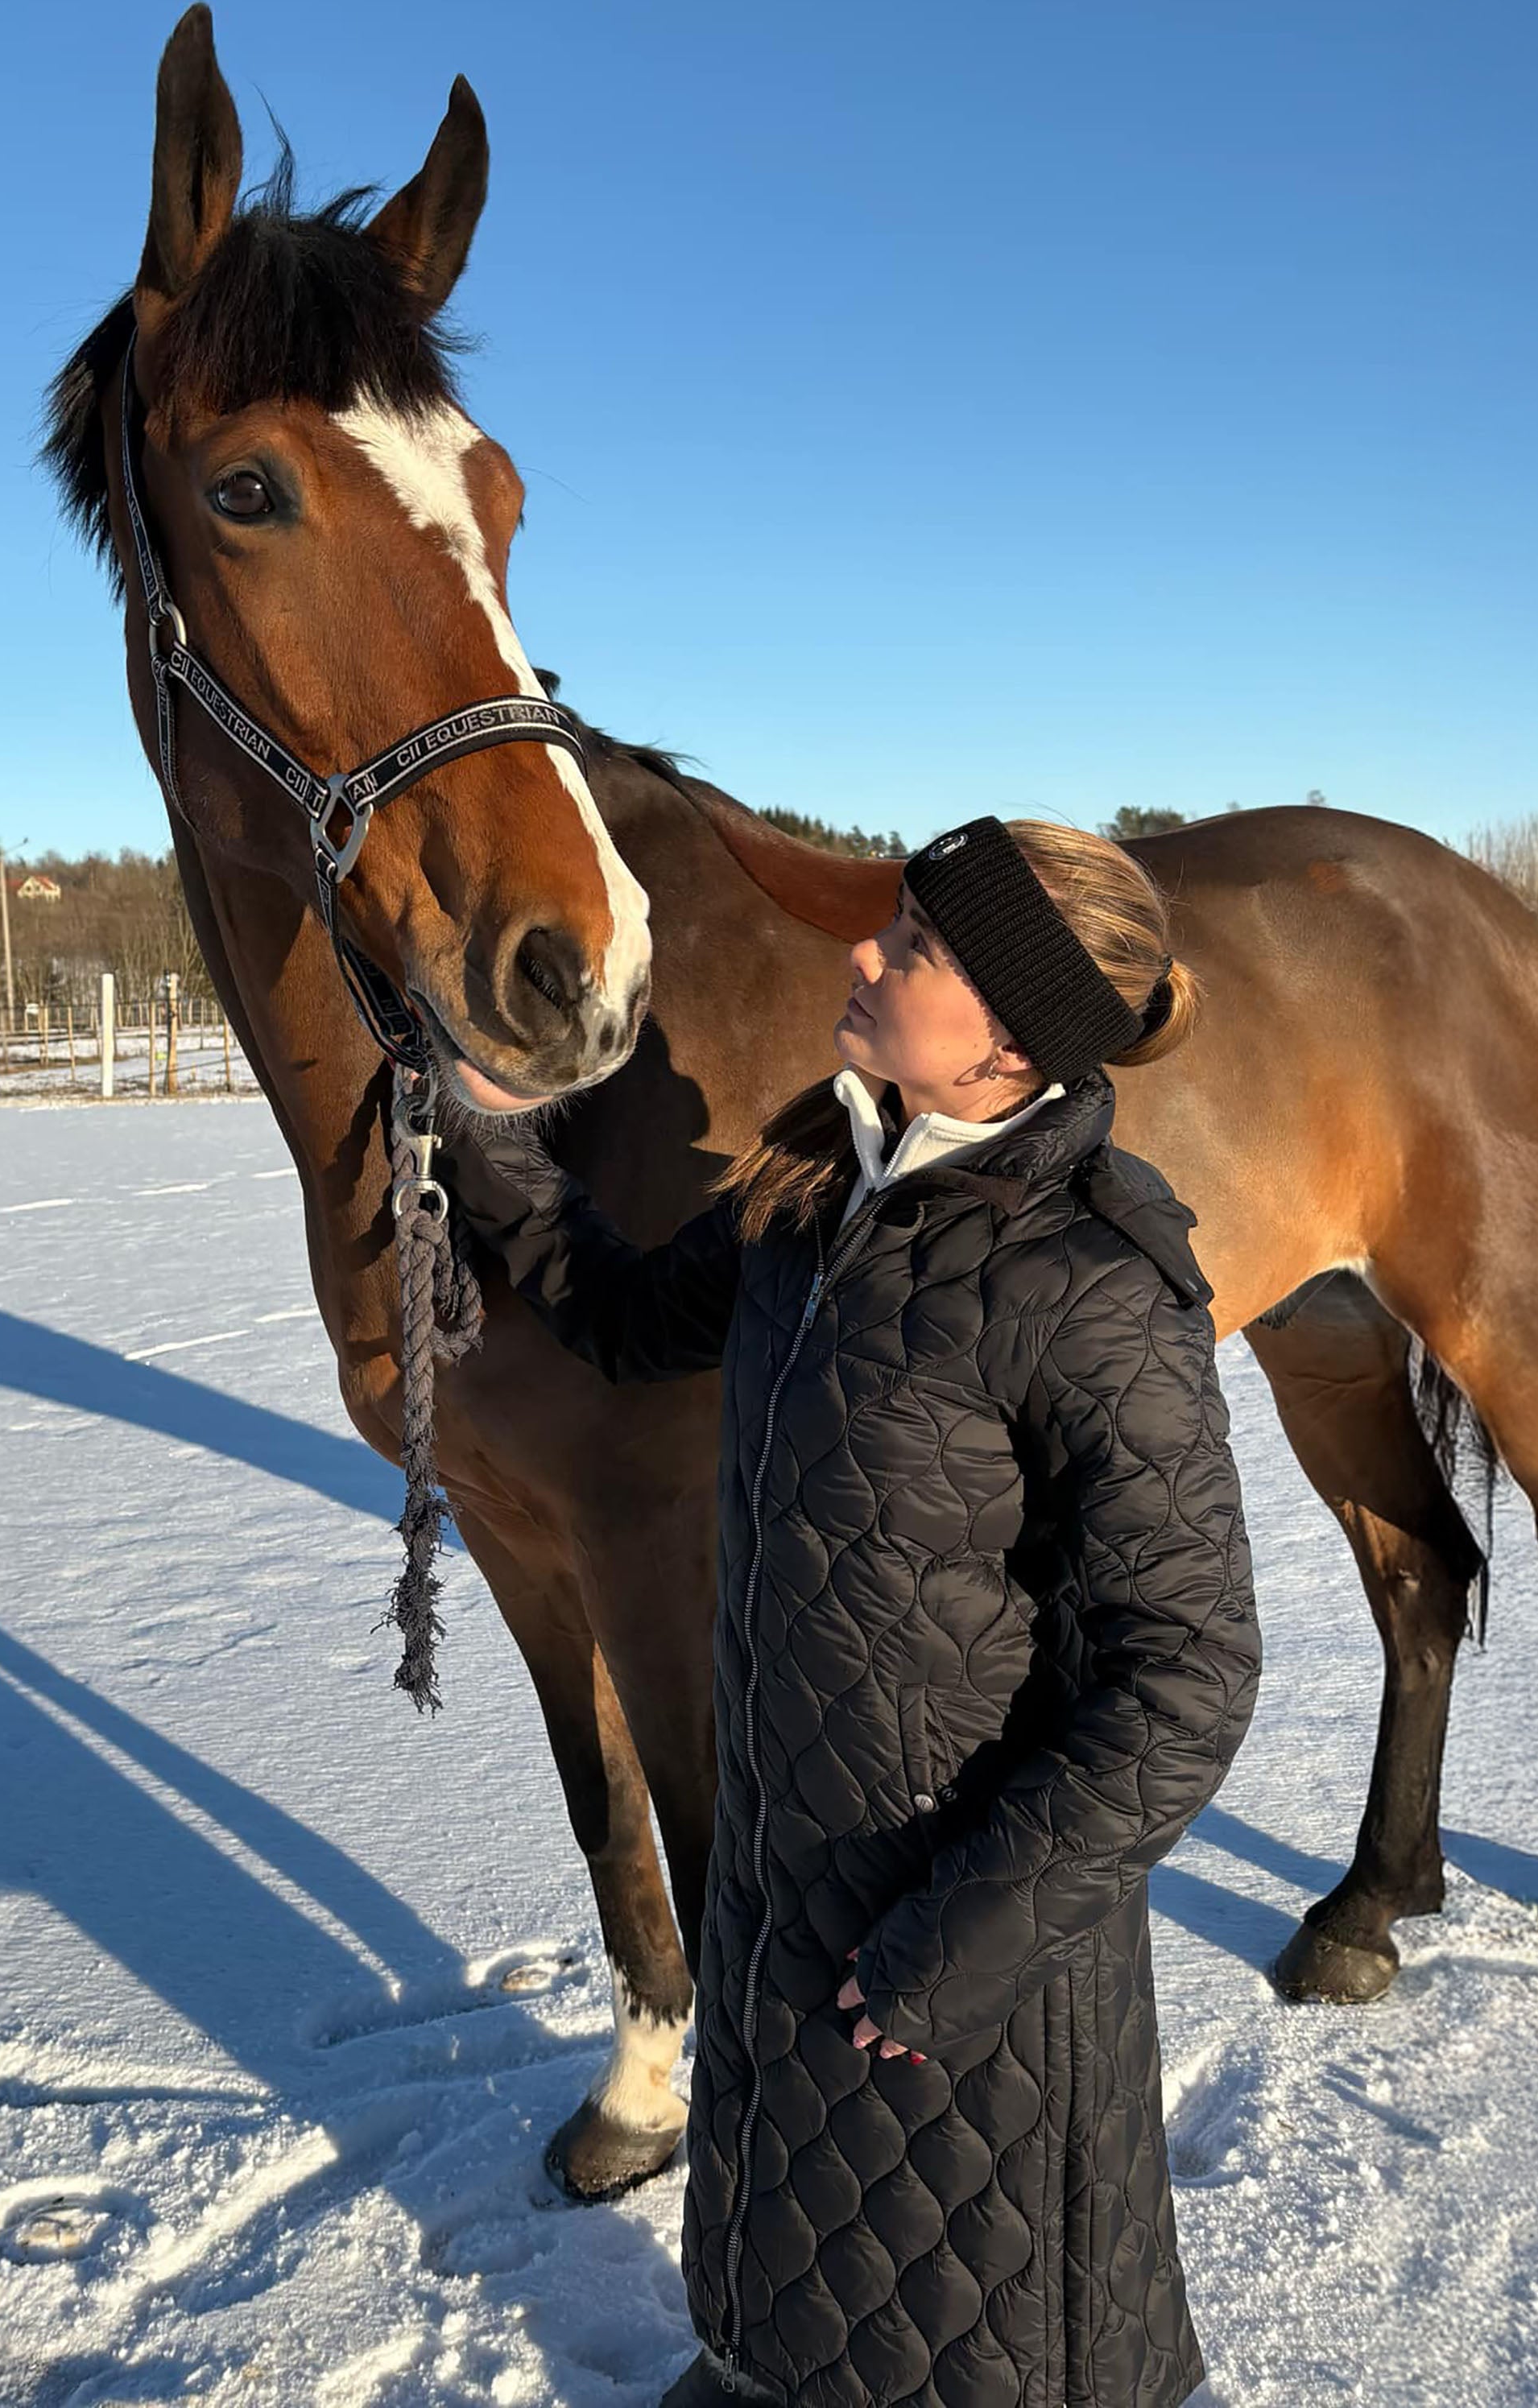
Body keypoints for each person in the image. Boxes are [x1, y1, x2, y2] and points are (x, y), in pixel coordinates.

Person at [431, 816, 1261, 2408]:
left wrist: (953, 1953)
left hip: (964, 1987)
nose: (864, 956)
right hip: (789, 1920)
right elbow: (612, 1314)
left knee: (983, 2347)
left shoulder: (1088, 1286)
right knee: (781, 2308)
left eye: (918, 948)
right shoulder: (813, 1188)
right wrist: (484, 1126)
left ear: (1008, 1038)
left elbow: (1186, 1679)